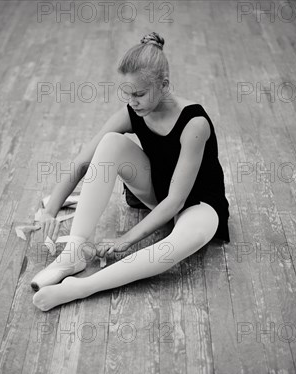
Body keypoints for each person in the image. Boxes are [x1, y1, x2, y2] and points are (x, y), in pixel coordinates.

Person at [32, 32, 230, 311]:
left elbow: (176, 201)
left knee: (172, 250)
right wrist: (51, 209)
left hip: (197, 205)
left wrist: (126, 240)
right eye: (127, 93)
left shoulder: (194, 123)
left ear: (164, 85)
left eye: (139, 94)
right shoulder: (133, 112)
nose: (132, 101)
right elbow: (82, 162)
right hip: (158, 192)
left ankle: (84, 287)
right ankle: (73, 252)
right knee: (110, 142)